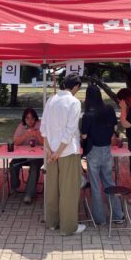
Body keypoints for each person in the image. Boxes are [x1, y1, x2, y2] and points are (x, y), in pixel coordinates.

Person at [40, 73, 85, 235]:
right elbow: (70, 130)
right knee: (69, 190)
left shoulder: (51, 100)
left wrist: (50, 151)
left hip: (51, 152)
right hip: (67, 151)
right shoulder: (74, 102)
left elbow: (43, 128)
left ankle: (52, 223)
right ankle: (68, 227)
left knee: (52, 189)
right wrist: (57, 152)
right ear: (76, 87)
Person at [81, 84, 124, 225]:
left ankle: (99, 219)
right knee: (109, 183)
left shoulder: (87, 115)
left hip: (93, 151)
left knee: (95, 185)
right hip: (106, 149)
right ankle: (118, 215)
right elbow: (114, 128)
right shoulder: (109, 109)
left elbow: (84, 135)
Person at [9, 108, 44, 204]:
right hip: (23, 154)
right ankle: (15, 185)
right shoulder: (21, 126)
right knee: (13, 164)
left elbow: (45, 143)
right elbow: (15, 142)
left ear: (36, 118)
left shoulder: (41, 125)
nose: (30, 121)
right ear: (24, 119)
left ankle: (28, 194)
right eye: (27, 118)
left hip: (37, 155)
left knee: (34, 167)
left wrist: (37, 135)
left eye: (32, 118)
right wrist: (25, 135)